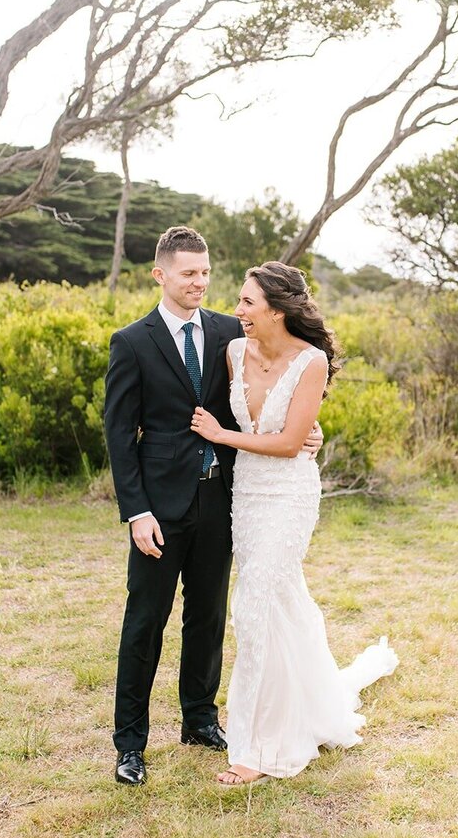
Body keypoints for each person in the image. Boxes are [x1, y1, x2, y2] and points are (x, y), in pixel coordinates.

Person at [104, 229, 320, 787]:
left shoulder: (231, 329)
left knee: (208, 618)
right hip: (160, 509)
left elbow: (276, 384)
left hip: (223, 502)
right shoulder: (132, 342)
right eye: (188, 274)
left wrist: (312, 432)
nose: (199, 283)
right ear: (161, 276)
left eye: (205, 273)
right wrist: (137, 511)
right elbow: (118, 435)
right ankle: (130, 743)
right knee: (145, 623)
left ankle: (199, 720)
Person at [190, 261, 398, 786]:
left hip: (289, 496)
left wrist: (222, 435)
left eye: (247, 303)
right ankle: (310, 705)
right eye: (238, 301)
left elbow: (287, 444)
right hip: (247, 497)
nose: (237, 311)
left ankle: (257, 750)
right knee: (281, 605)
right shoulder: (234, 351)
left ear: (277, 311)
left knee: (253, 606)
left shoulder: (311, 362)